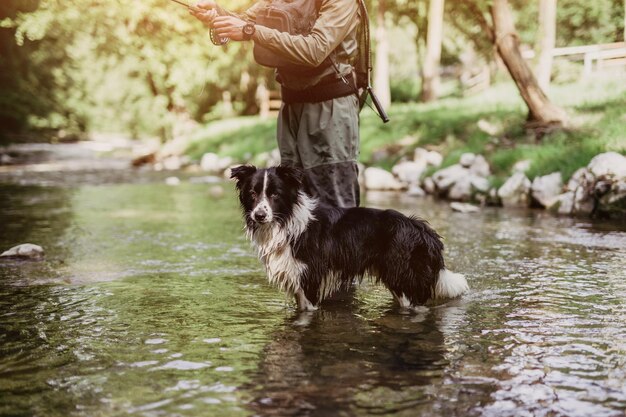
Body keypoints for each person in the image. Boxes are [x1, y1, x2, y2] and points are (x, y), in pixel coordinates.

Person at [191, 0, 361, 208]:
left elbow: (315, 50)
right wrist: (217, 14)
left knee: (335, 209)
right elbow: (245, 22)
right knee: (293, 208)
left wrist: (250, 30)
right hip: (291, 106)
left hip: (329, 108)